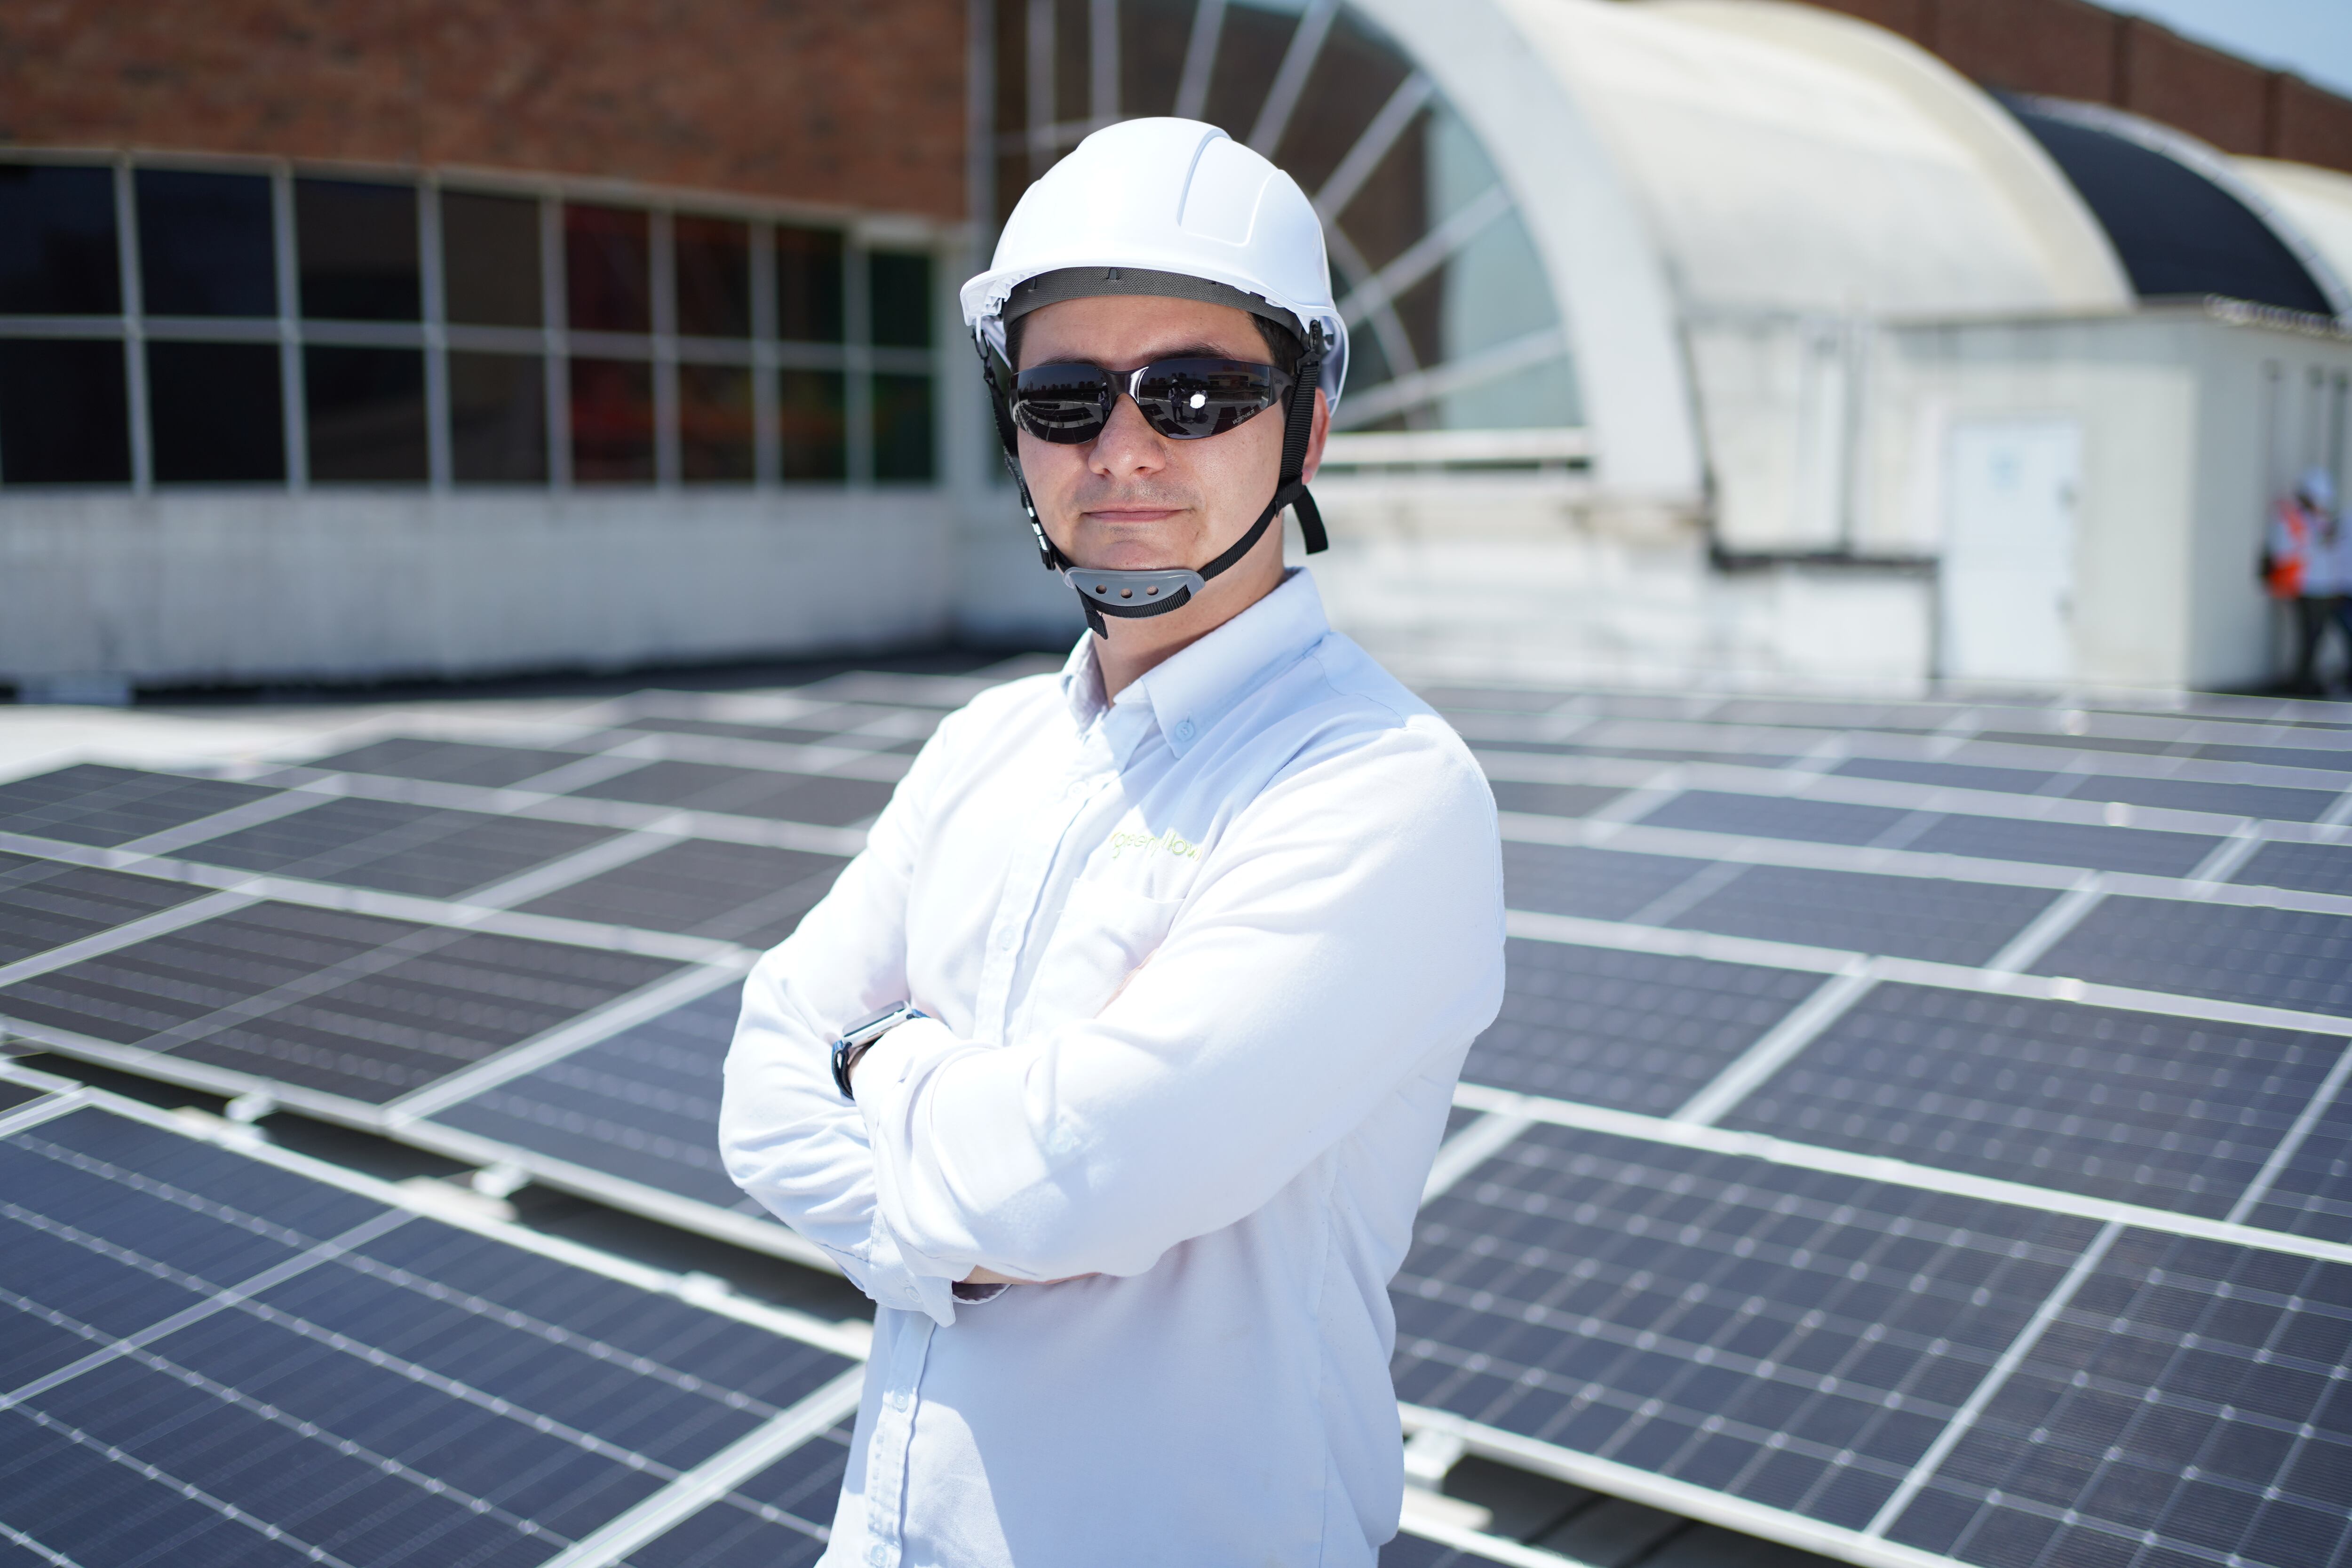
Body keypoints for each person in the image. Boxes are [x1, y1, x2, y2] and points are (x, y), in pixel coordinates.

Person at [719, 118, 1506, 1567]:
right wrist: (968, 1223)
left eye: (1198, 393)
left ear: (1309, 425)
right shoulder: (983, 749)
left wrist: (878, 1063)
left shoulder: (1378, 791)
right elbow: (760, 1092)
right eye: (1067, 398)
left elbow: (1064, 1184)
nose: (1124, 450)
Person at [2270, 465, 2347, 693]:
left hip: (2324, 587)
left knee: (2317, 635)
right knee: (2308, 635)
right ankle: (2302, 680)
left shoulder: (2322, 522)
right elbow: (2283, 550)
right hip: (2305, 586)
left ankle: (2307, 677)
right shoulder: (2293, 519)